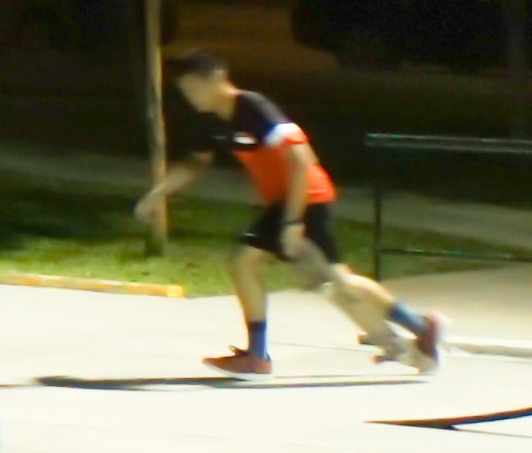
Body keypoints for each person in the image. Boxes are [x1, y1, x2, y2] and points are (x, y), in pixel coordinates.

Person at [144, 49, 445, 376]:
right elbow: (195, 163)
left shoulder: (253, 108)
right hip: (280, 203)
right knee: (324, 281)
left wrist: (292, 221)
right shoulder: (211, 120)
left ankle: (419, 328)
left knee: (331, 280)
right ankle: (412, 335)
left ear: (217, 78)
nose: (190, 96)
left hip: (306, 197)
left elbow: (303, 161)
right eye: (184, 90)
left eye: (193, 87)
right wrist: (157, 195)